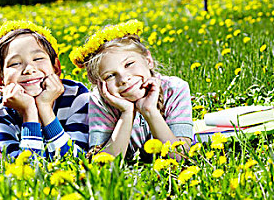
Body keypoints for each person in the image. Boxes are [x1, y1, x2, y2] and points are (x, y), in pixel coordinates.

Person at [70, 19, 193, 160]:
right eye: (110, 75)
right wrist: (126, 113)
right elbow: (105, 165)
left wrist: (149, 111)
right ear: (98, 84)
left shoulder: (175, 89)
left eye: (129, 64)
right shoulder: (100, 101)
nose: (123, 79)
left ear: (148, 60)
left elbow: (180, 157)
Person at [0, 20, 90, 159]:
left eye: (38, 58)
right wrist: (29, 112)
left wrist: (45, 108)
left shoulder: (77, 97)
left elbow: (75, 161)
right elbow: (27, 172)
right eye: (15, 63)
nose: (29, 69)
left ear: (56, 68)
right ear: (0, 82)